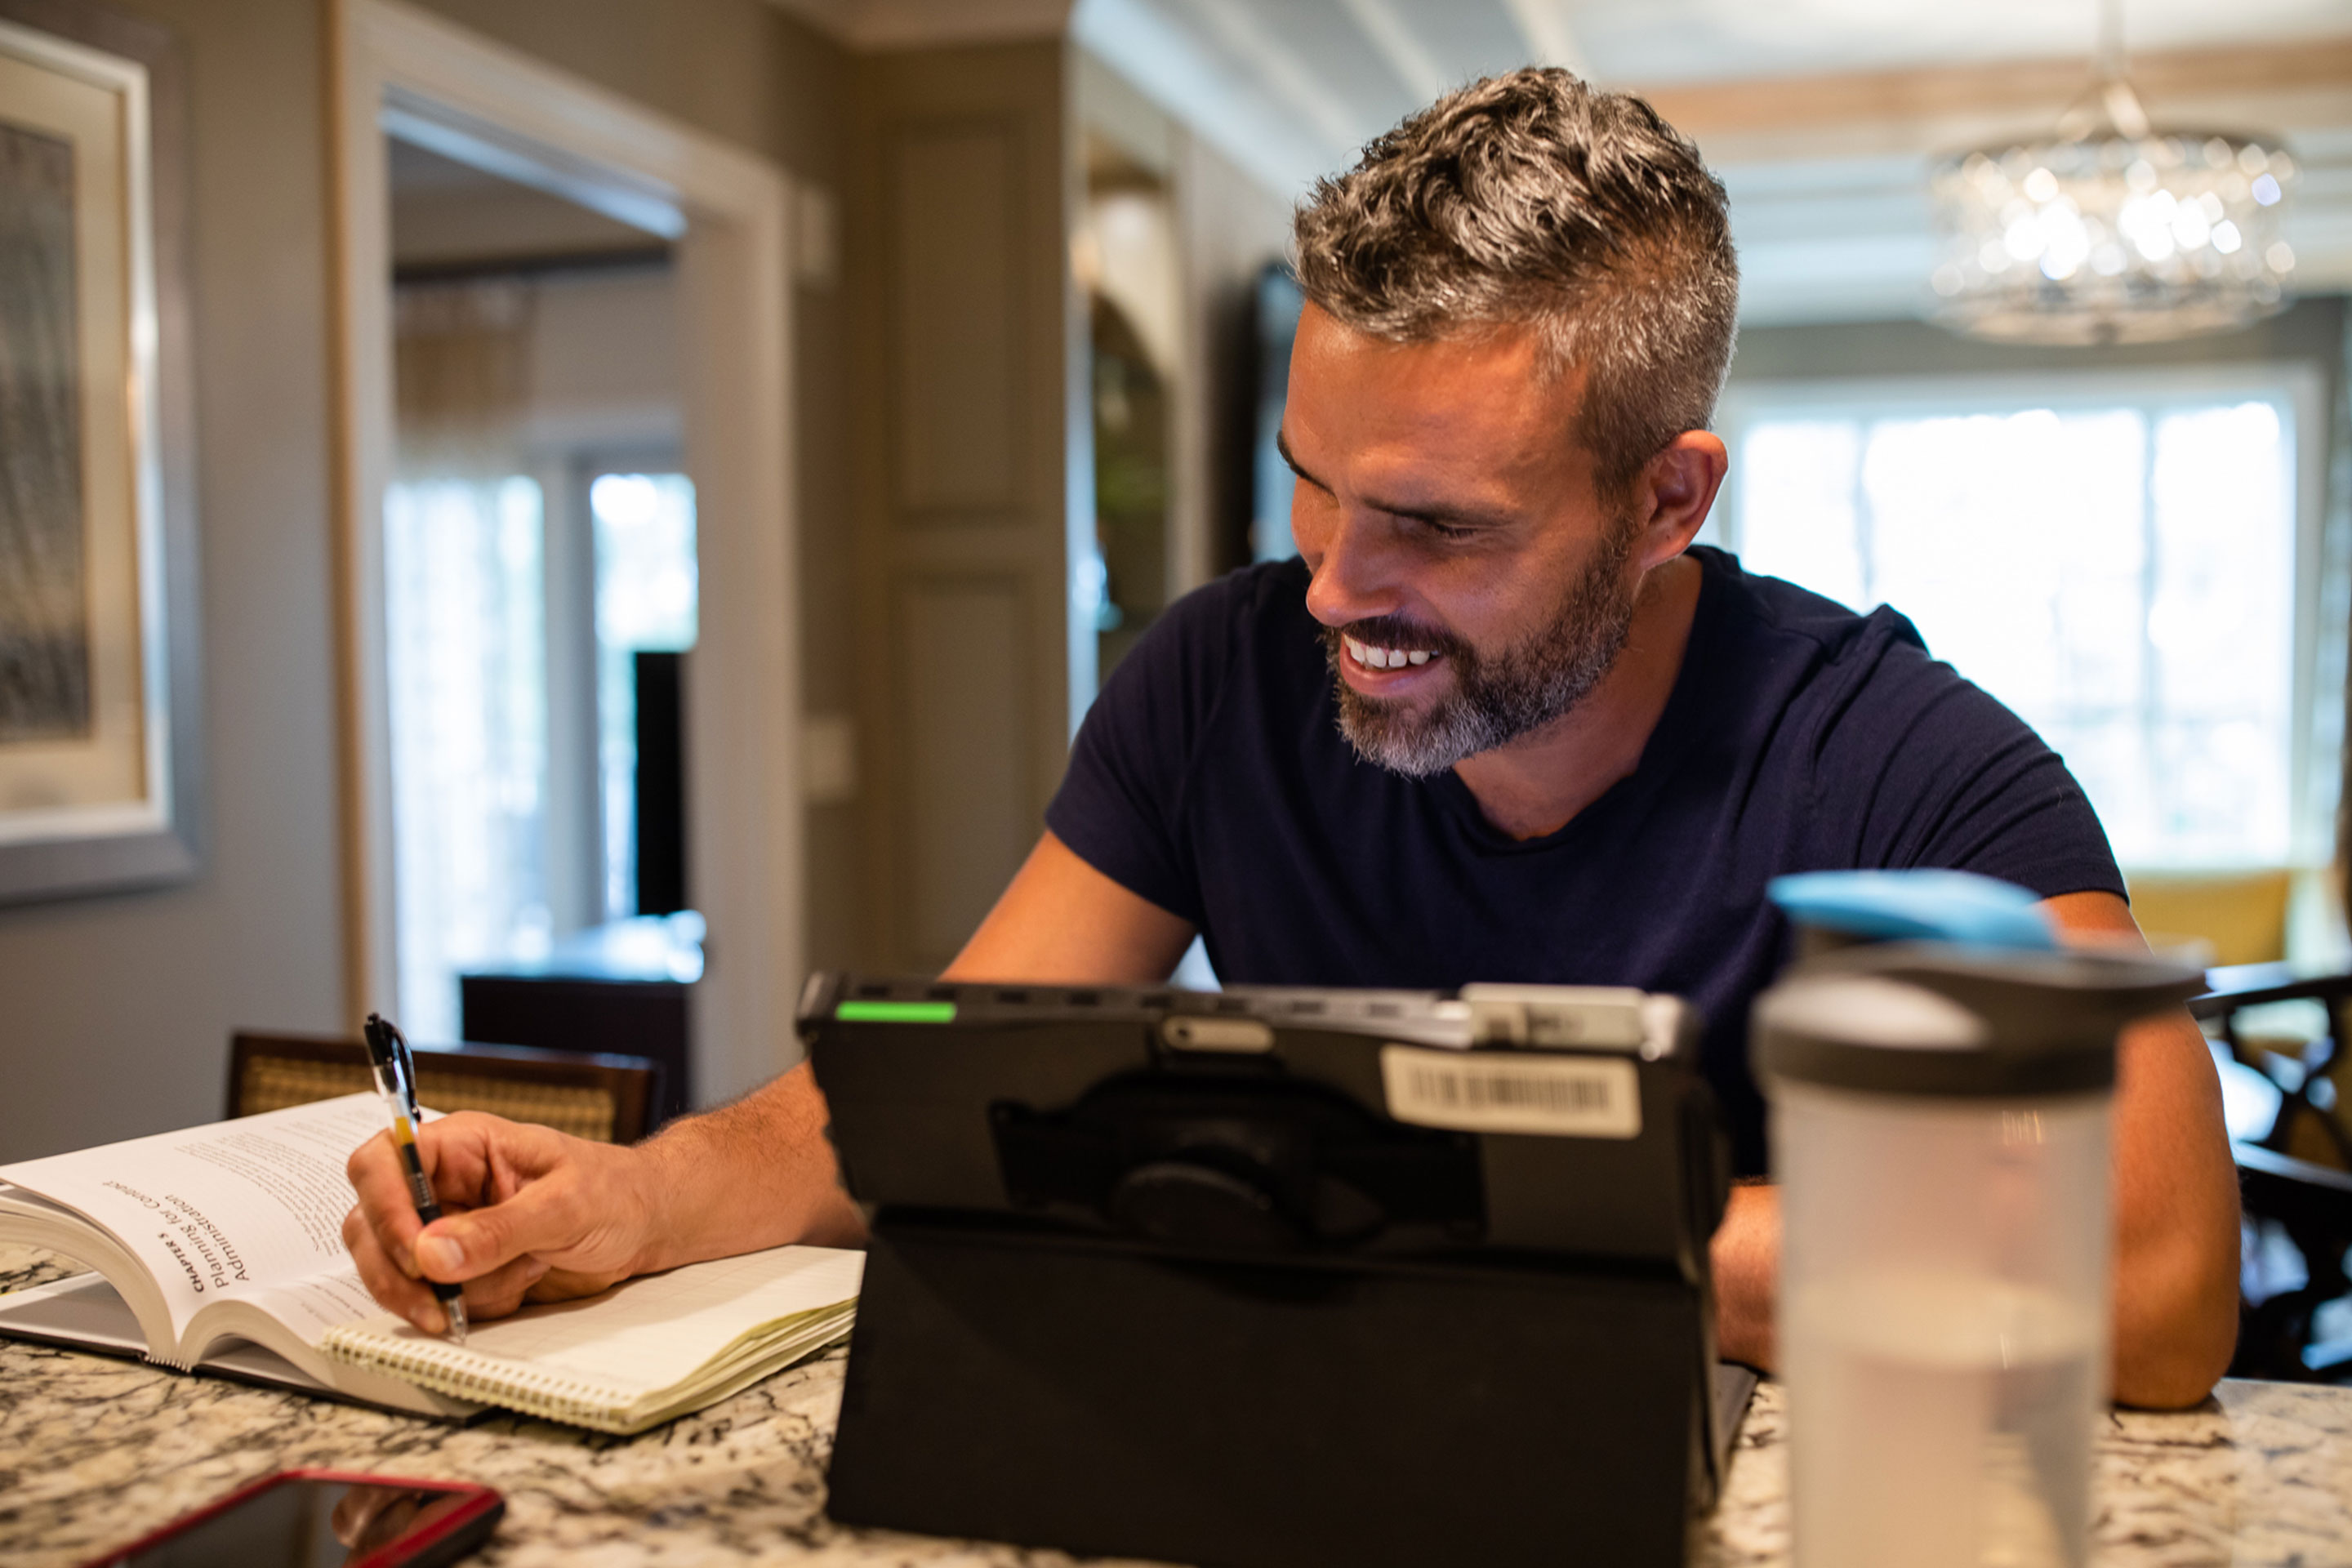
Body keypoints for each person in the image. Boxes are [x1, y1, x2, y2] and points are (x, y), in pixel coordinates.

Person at [345, 69, 2238, 1408]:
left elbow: (2157, 1288)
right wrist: (635, 1195)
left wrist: (1470, 1209)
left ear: (1667, 502)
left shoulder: (1917, 770)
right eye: (1314, 490)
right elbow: (951, 1081)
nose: (1336, 586)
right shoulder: (1217, 676)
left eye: (1440, 526)